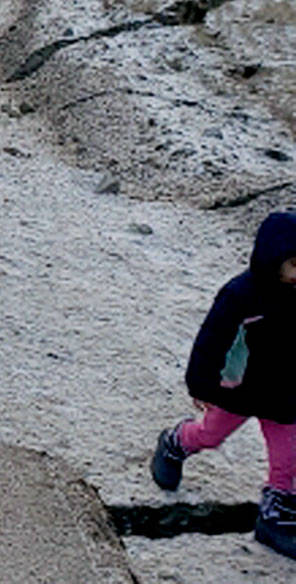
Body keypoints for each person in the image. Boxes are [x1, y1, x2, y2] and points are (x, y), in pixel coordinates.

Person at [151, 212, 296, 558]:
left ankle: (274, 515)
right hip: (240, 388)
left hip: (286, 393)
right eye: (294, 263)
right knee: (210, 435)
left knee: (288, 455)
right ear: (272, 259)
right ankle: (176, 443)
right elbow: (212, 339)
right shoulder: (240, 294)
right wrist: (201, 382)